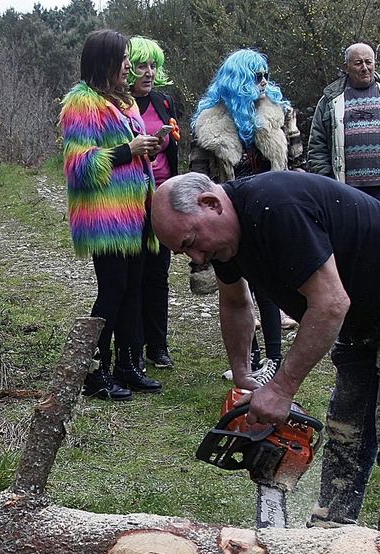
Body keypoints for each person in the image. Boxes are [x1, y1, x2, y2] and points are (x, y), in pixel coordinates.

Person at [152, 171, 380, 546]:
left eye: (191, 242)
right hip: (359, 312)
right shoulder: (225, 239)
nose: (197, 257)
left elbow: (331, 304)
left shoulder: (277, 209)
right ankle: (327, 547)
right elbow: (235, 302)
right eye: (185, 252)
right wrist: (242, 374)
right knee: (347, 434)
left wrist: (281, 389)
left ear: (211, 204)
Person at [61, 28, 169, 400]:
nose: (129, 65)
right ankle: (95, 371)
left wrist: (149, 149)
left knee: (135, 289)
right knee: (113, 291)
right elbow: (79, 166)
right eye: (122, 58)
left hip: (137, 212)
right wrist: (128, 150)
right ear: (103, 62)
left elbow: (132, 154)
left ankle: (129, 365)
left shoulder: (124, 103)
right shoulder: (82, 103)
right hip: (106, 218)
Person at [189, 48, 304, 385]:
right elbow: (198, 178)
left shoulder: (279, 113)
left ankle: (273, 360)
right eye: (256, 76)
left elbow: (297, 165)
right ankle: (248, 360)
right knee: (237, 290)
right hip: (229, 217)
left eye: (265, 74)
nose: (264, 82)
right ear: (238, 80)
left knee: (268, 287)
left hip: (271, 213)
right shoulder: (208, 124)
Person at [304, 41, 380, 209]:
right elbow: (317, 145)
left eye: (369, 62)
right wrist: (327, 180)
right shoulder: (331, 100)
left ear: (375, 63)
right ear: (347, 66)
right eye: (358, 63)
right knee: (350, 235)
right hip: (345, 190)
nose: (364, 67)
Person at [128, 36, 182, 370]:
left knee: (159, 273)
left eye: (153, 66)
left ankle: (158, 346)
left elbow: (172, 149)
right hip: (130, 201)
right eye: (141, 66)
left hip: (161, 196)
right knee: (134, 274)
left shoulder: (164, 102)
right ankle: (133, 343)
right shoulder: (118, 105)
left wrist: (165, 141)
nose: (148, 72)